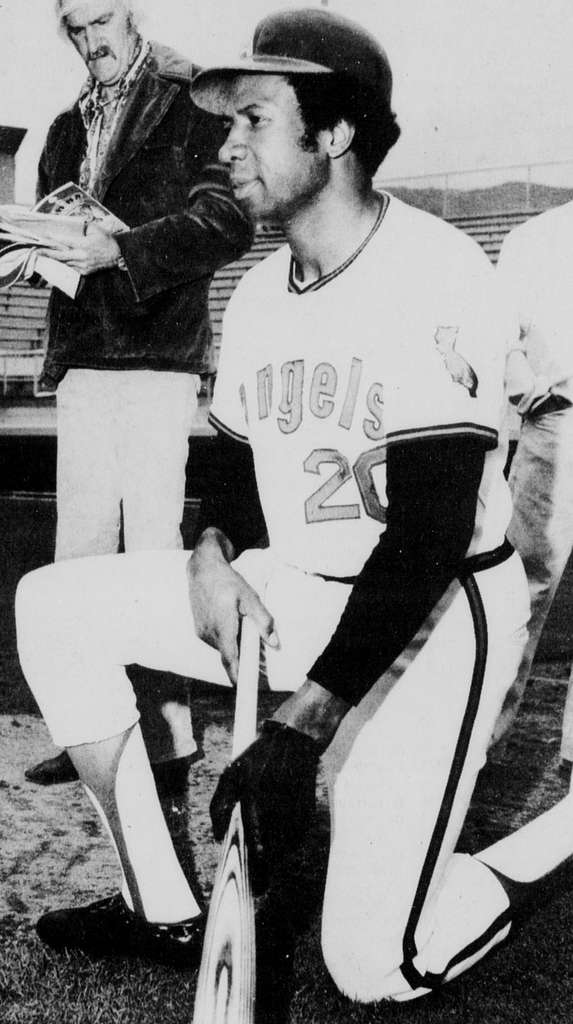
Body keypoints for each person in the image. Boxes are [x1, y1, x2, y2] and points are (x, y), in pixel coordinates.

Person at [15, 6, 573, 1004]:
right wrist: (211, 556)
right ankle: (165, 910)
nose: (226, 144)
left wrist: (301, 728)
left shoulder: (435, 273)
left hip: (433, 619)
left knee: (375, 964)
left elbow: (427, 535)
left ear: (337, 132)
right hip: (298, 585)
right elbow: (237, 475)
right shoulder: (265, 291)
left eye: (254, 120)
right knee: (53, 604)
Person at [24, 0, 253, 788]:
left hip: (157, 358)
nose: (91, 43)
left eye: (101, 23)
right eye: (76, 30)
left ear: (133, 13)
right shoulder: (61, 127)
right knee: (77, 558)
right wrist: (37, 251)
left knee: (154, 561)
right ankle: (92, 729)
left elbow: (225, 222)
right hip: (86, 356)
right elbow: (64, 236)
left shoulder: (192, 96)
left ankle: (168, 745)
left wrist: (118, 251)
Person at [490, 203, 573, 769]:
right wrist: (529, 392)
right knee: (524, 586)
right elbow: (497, 334)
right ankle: (477, 740)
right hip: (559, 426)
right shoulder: (534, 237)